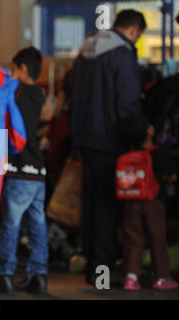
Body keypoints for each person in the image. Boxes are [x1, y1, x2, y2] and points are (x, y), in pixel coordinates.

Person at [69, 9, 147, 285]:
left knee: (89, 204)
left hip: (84, 138)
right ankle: (101, 272)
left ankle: (91, 264)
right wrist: (139, 136)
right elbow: (127, 102)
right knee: (106, 207)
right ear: (134, 31)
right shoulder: (122, 55)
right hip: (111, 140)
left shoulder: (87, 51)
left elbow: (70, 90)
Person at [0, 47, 48, 295]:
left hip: (18, 167)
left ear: (21, 68)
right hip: (38, 169)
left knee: (11, 224)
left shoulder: (15, 90)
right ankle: (38, 275)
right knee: (38, 225)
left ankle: (4, 276)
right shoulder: (39, 94)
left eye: (13, 68)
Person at [118, 115, 179, 291]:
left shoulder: (129, 154)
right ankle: (161, 277)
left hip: (130, 202)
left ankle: (131, 278)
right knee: (157, 238)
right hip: (153, 202)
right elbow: (173, 176)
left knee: (133, 239)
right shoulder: (158, 153)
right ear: (149, 131)